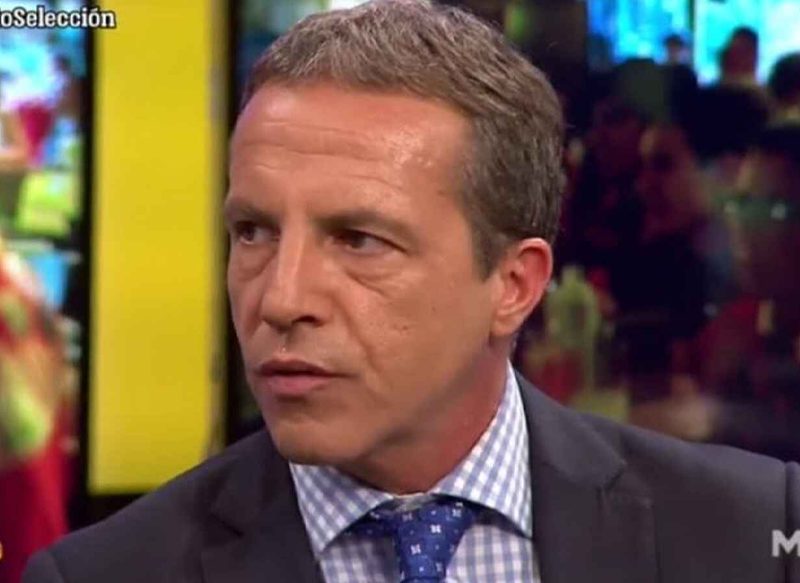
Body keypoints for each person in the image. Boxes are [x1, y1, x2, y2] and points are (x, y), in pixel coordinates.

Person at [23, 2, 800, 582]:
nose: (280, 299)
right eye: (253, 231)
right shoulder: (102, 572)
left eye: (359, 240)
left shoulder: (756, 534)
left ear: (514, 284)